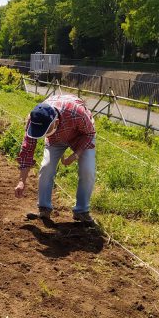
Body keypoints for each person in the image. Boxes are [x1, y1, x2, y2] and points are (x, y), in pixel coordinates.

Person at [15, 93, 96, 224]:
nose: (43, 135)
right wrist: (21, 181)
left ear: (56, 122)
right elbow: (27, 150)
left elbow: (89, 133)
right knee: (46, 166)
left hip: (81, 135)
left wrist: (75, 155)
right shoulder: (34, 119)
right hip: (55, 140)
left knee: (88, 170)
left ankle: (81, 211)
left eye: (46, 131)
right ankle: (44, 208)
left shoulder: (77, 112)